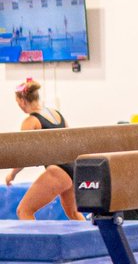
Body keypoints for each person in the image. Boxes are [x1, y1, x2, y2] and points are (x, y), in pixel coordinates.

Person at [3, 77, 84, 221]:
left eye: (18, 103)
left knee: (24, 211)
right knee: (73, 213)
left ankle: (34, 244)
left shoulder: (30, 121)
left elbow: (23, 155)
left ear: (22, 101)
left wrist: (12, 174)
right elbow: (71, 141)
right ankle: (94, 241)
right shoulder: (56, 114)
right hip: (73, 169)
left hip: (57, 172)